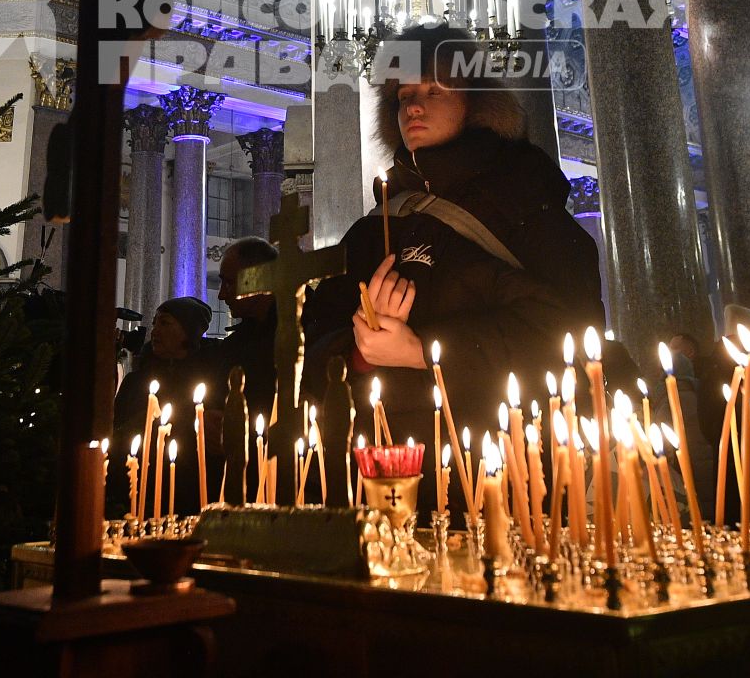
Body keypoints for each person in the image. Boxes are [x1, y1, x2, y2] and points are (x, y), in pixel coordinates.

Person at [302, 25, 604, 491]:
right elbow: (317, 332)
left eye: (435, 90)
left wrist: (421, 351)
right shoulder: (376, 226)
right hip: (381, 468)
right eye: (404, 96)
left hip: (497, 465)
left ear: (477, 101)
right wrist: (362, 350)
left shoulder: (525, 204)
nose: (414, 107)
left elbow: (570, 331)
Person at [108, 296, 214, 518]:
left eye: (165, 323)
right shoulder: (136, 382)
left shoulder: (205, 383)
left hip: (185, 491)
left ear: (189, 331)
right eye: (155, 323)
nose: (155, 331)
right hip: (133, 489)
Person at [210, 237, 278, 416]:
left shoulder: (298, 335)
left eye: (230, 283)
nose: (222, 295)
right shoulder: (232, 346)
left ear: (259, 278)